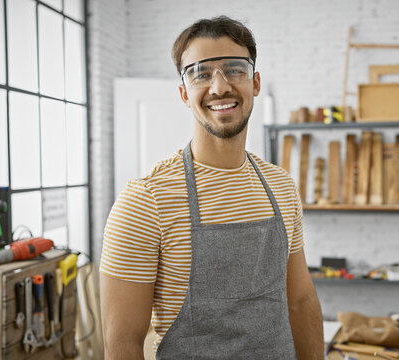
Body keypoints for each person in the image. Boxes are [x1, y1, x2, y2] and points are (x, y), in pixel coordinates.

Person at [100, 16, 324, 359]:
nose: (219, 87)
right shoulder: (145, 201)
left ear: (256, 82)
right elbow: (123, 343)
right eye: (200, 73)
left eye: (235, 69)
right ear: (184, 94)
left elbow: (301, 300)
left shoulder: (281, 186)